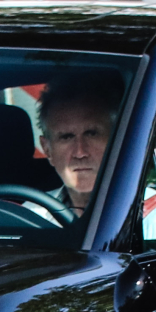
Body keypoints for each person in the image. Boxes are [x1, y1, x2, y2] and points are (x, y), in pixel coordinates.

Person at [36, 75, 118, 219]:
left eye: (92, 134)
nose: (80, 153)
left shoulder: (154, 214)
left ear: (116, 141)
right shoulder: (32, 214)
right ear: (47, 150)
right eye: (66, 137)